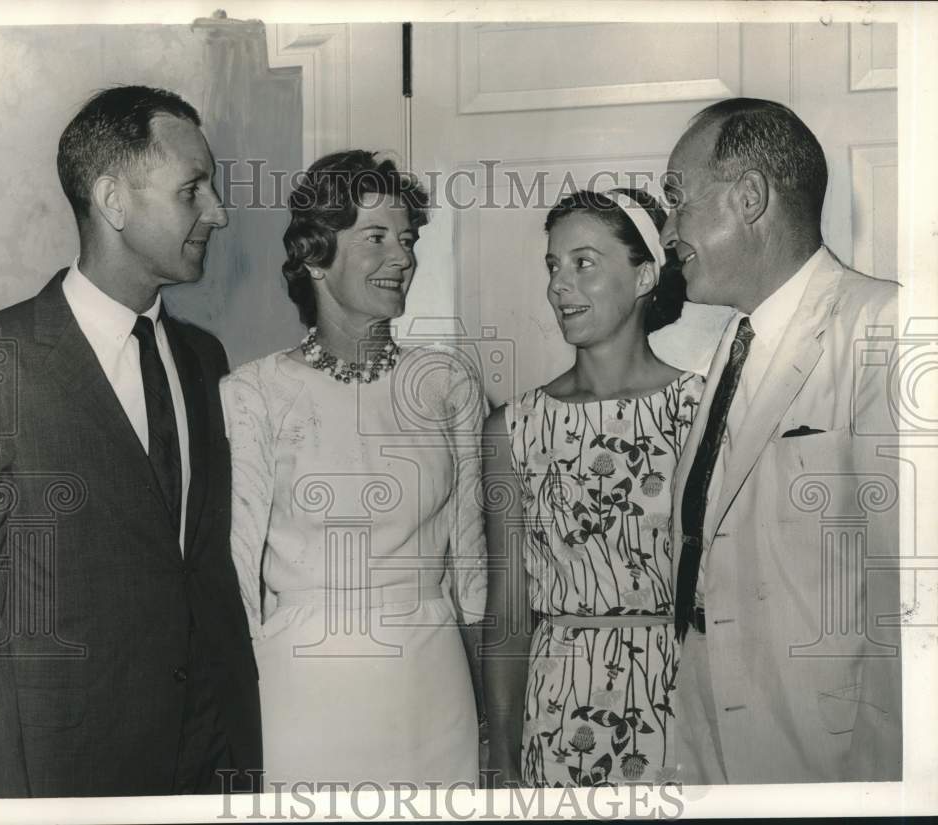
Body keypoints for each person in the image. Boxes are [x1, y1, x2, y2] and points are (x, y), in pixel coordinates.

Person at [0, 85, 261, 797]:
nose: (218, 212)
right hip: (70, 769)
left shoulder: (204, 359)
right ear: (114, 201)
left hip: (215, 760)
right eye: (193, 190)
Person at [219, 149, 487, 787]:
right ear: (314, 256)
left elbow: (472, 562)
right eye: (375, 238)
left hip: (434, 681)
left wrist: (490, 711)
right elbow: (237, 572)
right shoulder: (253, 392)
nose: (403, 257)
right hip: (303, 687)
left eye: (408, 238)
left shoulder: (448, 381)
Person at [660, 97, 901, 783]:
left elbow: (913, 606)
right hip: (709, 747)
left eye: (678, 201)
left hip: (825, 757)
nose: (668, 230)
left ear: (750, 196)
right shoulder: (731, 349)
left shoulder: (884, 327)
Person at [483, 188, 705, 787]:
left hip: (683, 699)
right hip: (558, 712)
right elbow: (506, 608)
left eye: (583, 263)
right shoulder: (514, 428)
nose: (558, 285)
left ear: (644, 277)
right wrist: (500, 756)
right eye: (553, 266)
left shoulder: (705, 408)